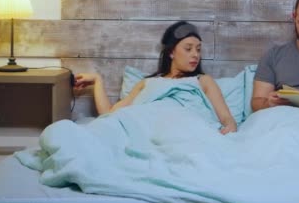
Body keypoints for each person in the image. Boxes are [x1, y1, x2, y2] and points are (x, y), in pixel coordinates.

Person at [74, 21, 238, 134]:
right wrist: (97, 80)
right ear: (172, 52)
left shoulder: (202, 81)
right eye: (188, 49)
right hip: (149, 130)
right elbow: (109, 114)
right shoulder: (147, 83)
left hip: (187, 131)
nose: (195, 55)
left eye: (198, 49)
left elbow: (226, 118)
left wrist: (229, 126)